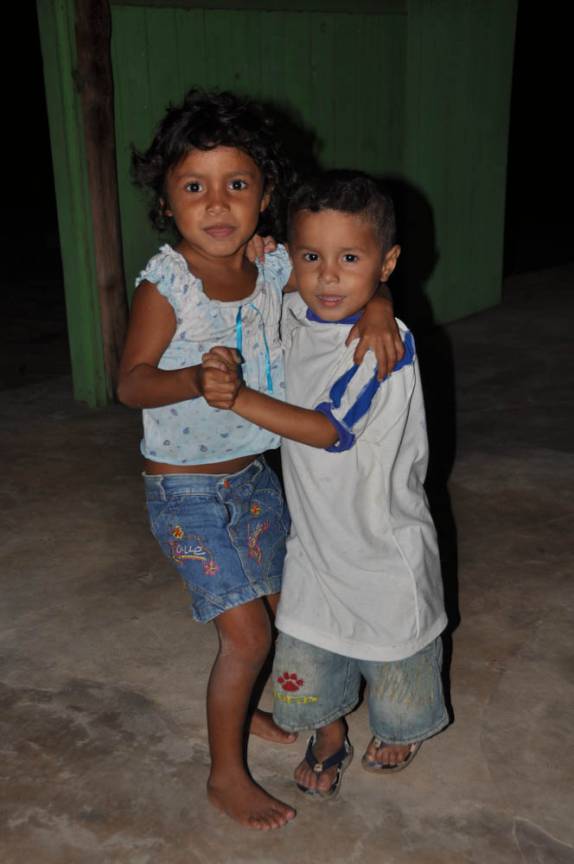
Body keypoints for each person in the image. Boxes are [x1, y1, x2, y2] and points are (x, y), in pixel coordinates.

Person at [117, 91, 403, 830]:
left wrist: (379, 305)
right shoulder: (167, 286)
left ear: (265, 195)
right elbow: (131, 383)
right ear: (168, 202)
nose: (217, 203)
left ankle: (278, 716)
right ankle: (224, 775)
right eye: (194, 186)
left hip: (256, 480)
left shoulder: (273, 267)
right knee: (246, 639)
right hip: (186, 496)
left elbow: (338, 285)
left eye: (237, 184)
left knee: (295, 614)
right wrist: (192, 380)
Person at [201, 169, 449, 802]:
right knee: (307, 663)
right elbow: (274, 274)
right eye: (312, 257)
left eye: (350, 260)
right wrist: (272, 257)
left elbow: (330, 431)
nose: (328, 276)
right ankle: (328, 729)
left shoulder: (382, 347)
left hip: (382, 547)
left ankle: (400, 729)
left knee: (397, 664)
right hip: (314, 542)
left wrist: (240, 398)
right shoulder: (296, 308)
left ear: (386, 262)